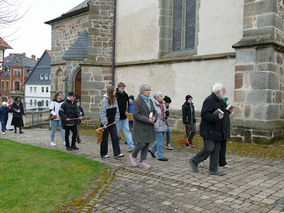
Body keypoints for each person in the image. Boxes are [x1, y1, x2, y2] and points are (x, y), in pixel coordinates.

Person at [188, 83, 226, 176]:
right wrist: (216, 117)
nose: (225, 93)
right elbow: (204, 115)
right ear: (218, 92)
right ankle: (194, 160)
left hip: (217, 129)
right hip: (208, 129)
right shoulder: (209, 100)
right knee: (209, 148)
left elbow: (223, 111)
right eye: (224, 91)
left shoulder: (220, 100)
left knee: (216, 149)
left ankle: (213, 169)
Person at [129, 84, 156, 169]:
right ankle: (133, 156)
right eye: (146, 90)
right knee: (141, 143)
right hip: (140, 126)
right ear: (141, 91)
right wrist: (147, 119)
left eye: (149, 90)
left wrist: (154, 117)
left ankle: (143, 161)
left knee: (147, 143)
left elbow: (154, 112)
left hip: (149, 126)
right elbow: (136, 115)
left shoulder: (150, 101)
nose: (148, 92)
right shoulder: (137, 101)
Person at [100, 86, 124, 159]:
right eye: (114, 91)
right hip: (106, 122)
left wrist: (116, 119)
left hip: (112, 121)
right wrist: (104, 123)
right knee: (104, 138)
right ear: (110, 92)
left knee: (115, 137)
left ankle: (117, 153)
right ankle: (104, 154)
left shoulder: (114, 99)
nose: (115, 92)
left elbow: (117, 110)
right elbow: (103, 112)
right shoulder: (104, 100)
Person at [148, 92, 169, 161]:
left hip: (163, 123)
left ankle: (151, 150)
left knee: (160, 140)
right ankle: (160, 156)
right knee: (160, 141)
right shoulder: (153, 105)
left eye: (162, 96)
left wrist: (166, 116)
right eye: (160, 96)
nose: (162, 97)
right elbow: (151, 114)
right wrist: (151, 120)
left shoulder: (163, 104)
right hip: (157, 123)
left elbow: (165, 112)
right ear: (156, 98)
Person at [115, 82, 135, 151]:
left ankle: (131, 145)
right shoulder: (115, 95)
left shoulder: (125, 95)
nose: (123, 89)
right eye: (122, 88)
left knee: (127, 130)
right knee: (116, 132)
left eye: (124, 88)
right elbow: (115, 106)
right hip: (118, 117)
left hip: (125, 117)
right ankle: (115, 145)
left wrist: (128, 112)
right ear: (119, 87)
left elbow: (128, 104)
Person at [219, 97, 233, 168]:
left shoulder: (224, 104)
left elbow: (225, 115)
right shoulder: (216, 103)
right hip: (219, 128)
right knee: (210, 148)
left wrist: (229, 111)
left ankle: (222, 162)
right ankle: (199, 159)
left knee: (223, 147)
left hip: (225, 128)